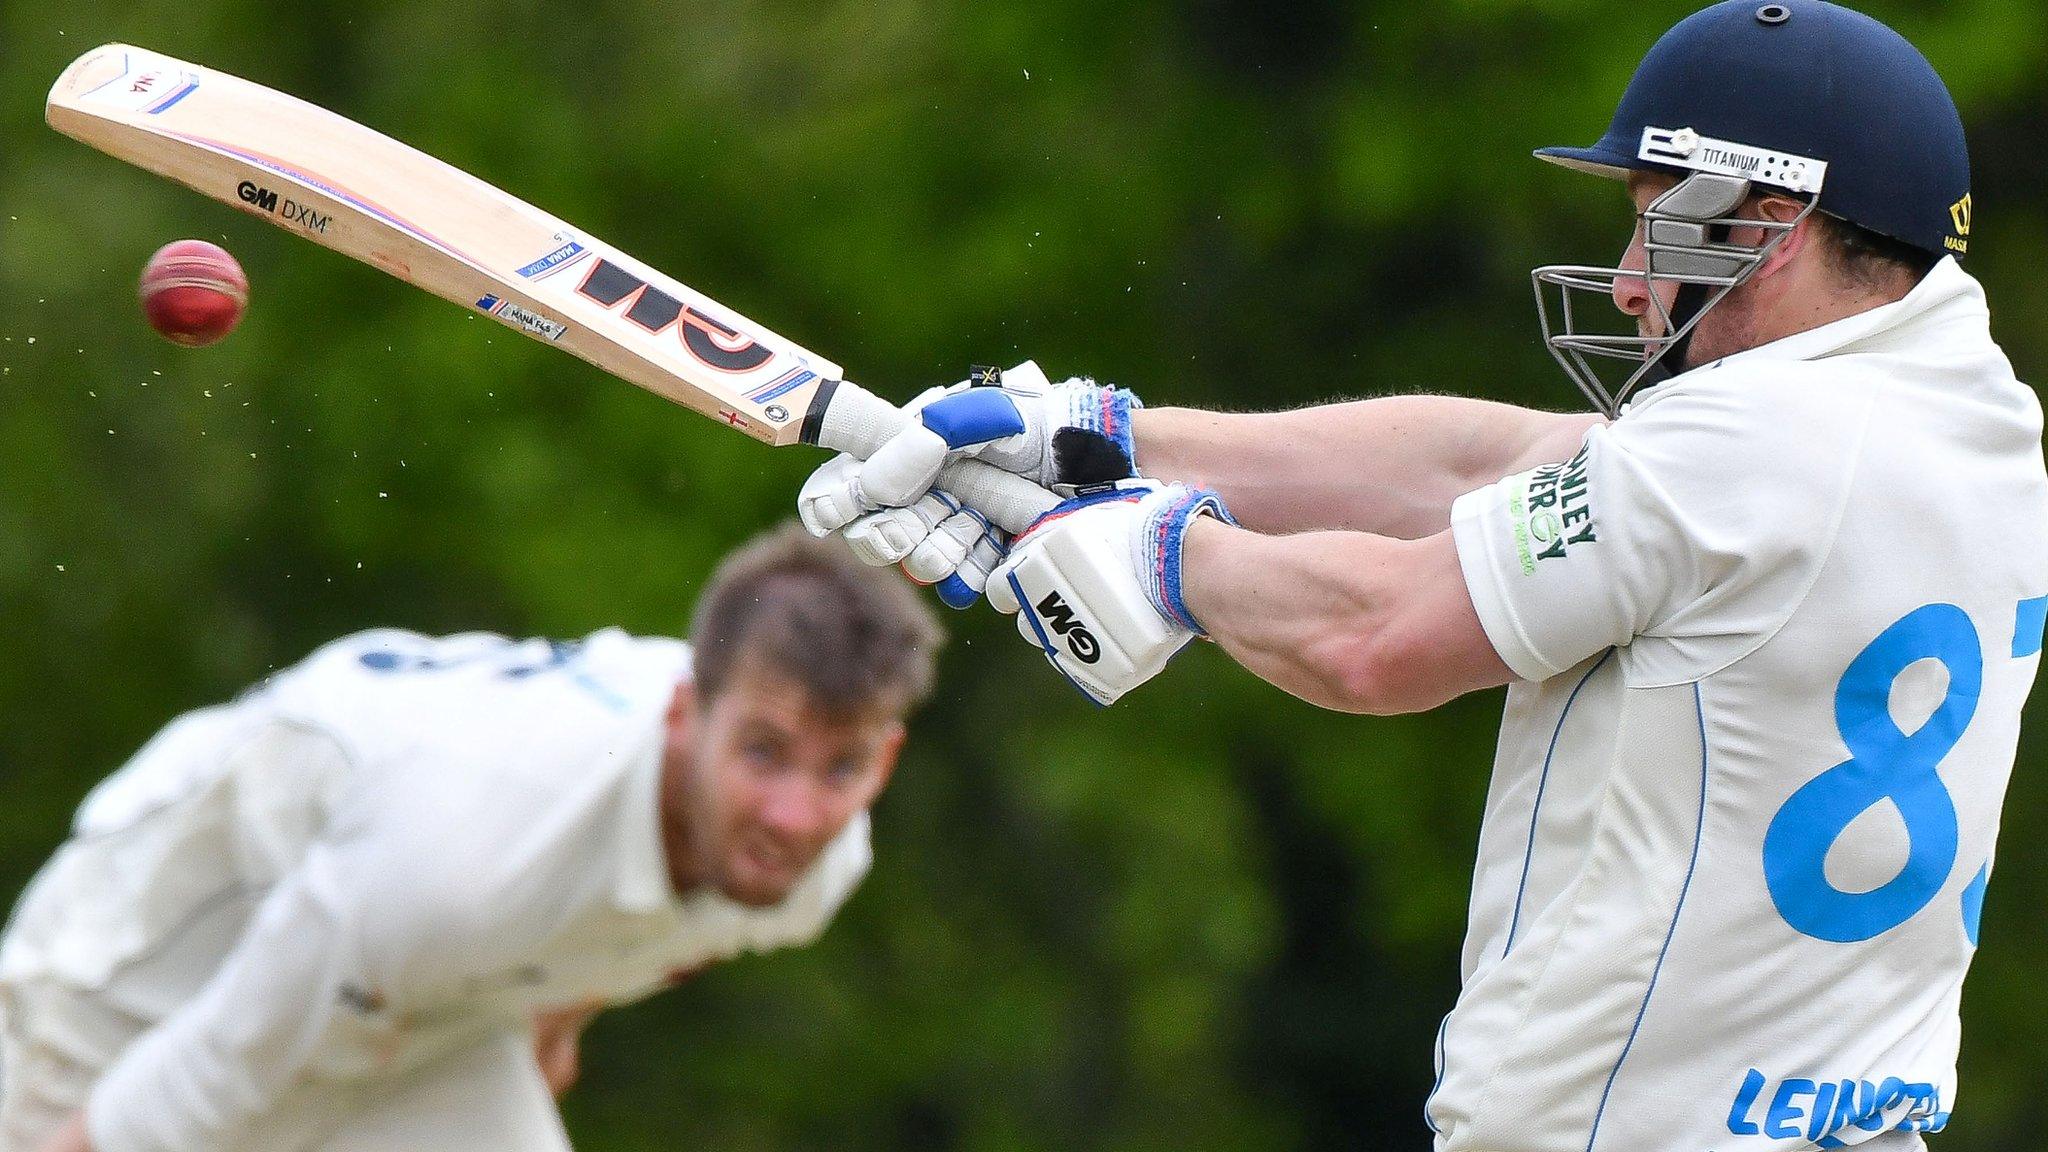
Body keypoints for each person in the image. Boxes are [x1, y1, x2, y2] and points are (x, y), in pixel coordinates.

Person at [801, 2, 2047, 1148]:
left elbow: (1374, 639)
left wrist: (1156, 554)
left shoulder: (1748, 445)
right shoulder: (1970, 430)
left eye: (1658, 220)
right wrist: (1106, 440)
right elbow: (1491, 462)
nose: (1626, 280)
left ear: (1769, 227)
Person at [0, 523, 942, 1152]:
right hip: (153, 958)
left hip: (411, 1008)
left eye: (840, 769)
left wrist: (562, 1009)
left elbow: (622, 919)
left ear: (885, 759)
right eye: (764, 751)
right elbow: (214, 1071)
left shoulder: (818, 868)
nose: (792, 815)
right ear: (685, 714)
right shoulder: (461, 854)